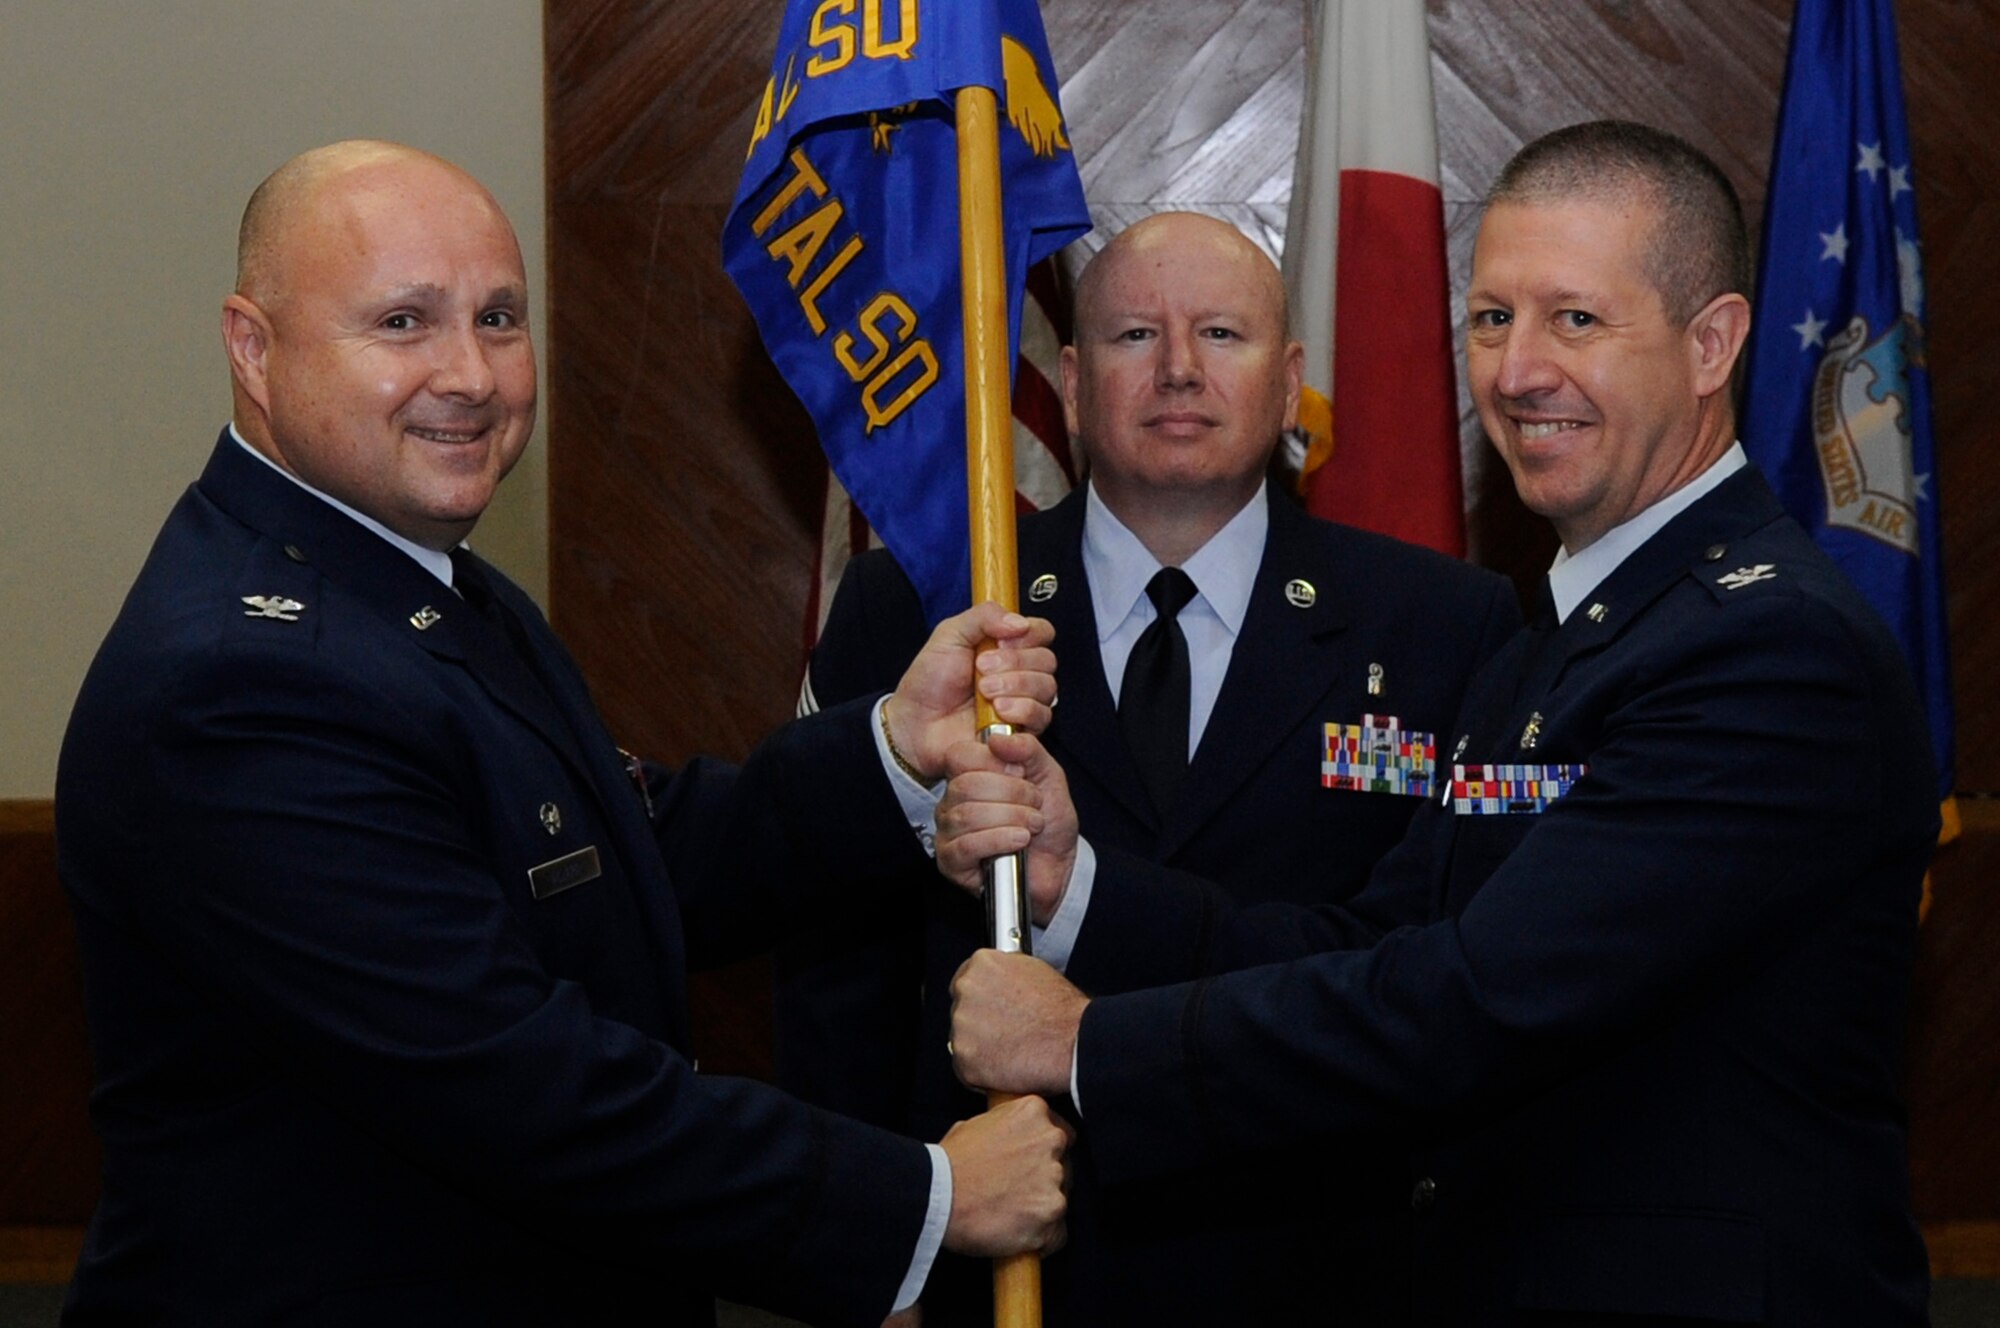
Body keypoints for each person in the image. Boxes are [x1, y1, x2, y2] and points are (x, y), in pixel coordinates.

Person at [54, 139, 1072, 1328]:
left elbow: (626, 857)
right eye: (401, 322)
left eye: (498, 317)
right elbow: (509, 1080)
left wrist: (895, 749)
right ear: (252, 347)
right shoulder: (242, 680)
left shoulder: (429, 591)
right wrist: (923, 1195)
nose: (471, 374)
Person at [942, 121, 1937, 1325]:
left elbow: (1476, 998)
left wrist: (1088, 1046)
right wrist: (1077, 887)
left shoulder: (1765, 654)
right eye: (1488, 319)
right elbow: (1372, 935)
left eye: (1575, 319)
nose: (1517, 371)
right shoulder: (1566, 640)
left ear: (1709, 343)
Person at [780, 211, 1519, 1323]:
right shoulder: (925, 612)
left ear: (1290, 381)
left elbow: (1437, 969)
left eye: (1220, 332)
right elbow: (834, 959)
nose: (1177, 368)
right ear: (1069, 385)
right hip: (1008, 1276)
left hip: (1324, 1264)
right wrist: (868, 1253)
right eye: (1133, 335)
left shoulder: (1443, 625)